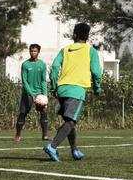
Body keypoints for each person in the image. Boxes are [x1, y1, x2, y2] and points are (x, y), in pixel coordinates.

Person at [44, 23, 102, 162]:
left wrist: (54, 86)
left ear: (74, 35)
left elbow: (54, 68)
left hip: (62, 89)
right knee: (70, 122)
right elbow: (96, 72)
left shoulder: (65, 50)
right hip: (77, 90)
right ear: (87, 36)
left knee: (69, 121)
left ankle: (75, 150)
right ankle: (52, 146)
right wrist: (97, 88)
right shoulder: (91, 51)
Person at [15, 44, 49, 142]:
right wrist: (31, 94)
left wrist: (45, 94)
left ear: (38, 52)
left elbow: (43, 80)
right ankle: (18, 135)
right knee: (23, 113)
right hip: (28, 93)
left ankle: (45, 135)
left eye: (35, 51)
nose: (33, 53)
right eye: (31, 51)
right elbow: (24, 81)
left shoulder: (42, 64)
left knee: (44, 113)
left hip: (39, 93)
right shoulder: (25, 64)